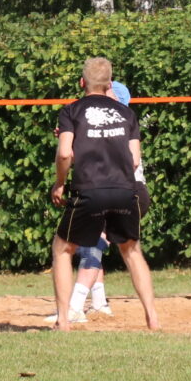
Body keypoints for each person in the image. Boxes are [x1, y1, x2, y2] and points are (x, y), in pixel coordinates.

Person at [49, 59, 160, 331]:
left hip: (90, 189)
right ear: (109, 83)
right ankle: (152, 318)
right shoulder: (126, 113)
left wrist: (59, 183)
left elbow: (64, 154)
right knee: (131, 250)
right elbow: (134, 160)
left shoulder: (71, 111)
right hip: (126, 189)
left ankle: (64, 319)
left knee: (63, 249)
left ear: (82, 82)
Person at [50, 82, 135, 324]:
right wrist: (75, 135)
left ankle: (74, 307)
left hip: (122, 189)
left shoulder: (119, 117)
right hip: (121, 189)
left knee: (95, 244)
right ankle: (99, 303)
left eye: (107, 92)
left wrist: (75, 135)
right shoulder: (117, 122)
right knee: (95, 243)